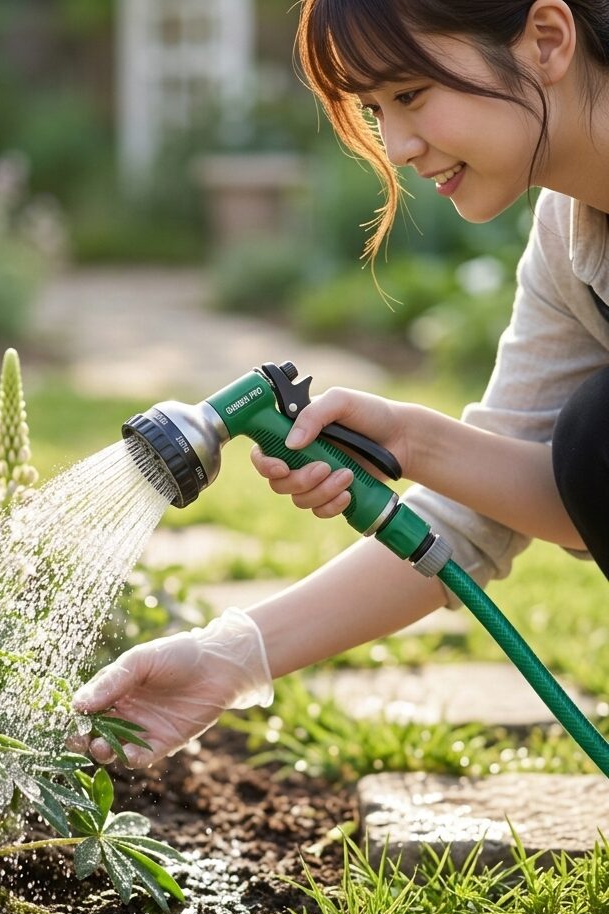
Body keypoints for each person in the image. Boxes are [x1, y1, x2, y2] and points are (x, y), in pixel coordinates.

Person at [71, 0, 609, 768]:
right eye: (375, 108)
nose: (397, 146)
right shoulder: (571, 240)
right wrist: (226, 660)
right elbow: (549, 500)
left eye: (413, 93)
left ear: (547, 39)